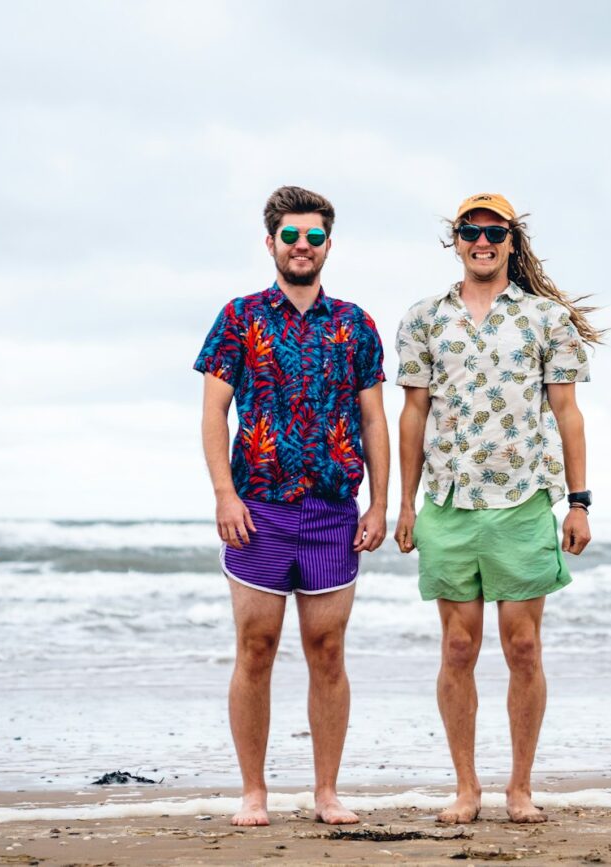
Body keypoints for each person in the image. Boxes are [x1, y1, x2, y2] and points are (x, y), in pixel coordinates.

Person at [393, 192, 601, 824]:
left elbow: (567, 413)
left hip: (522, 502)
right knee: (458, 648)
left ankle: (520, 788)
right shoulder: (424, 318)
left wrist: (579, 503)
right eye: (470, 231)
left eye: (494, 232)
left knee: (524, 648)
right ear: (455, 240)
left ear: (512, 241)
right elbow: (413, 414)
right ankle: (466, 788)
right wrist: (404, 504)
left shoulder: (546, 319)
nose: (481, 241)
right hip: (448, 502)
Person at [195, 185, 389, 826]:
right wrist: (224, 494)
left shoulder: (355, 324)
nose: (301, 246)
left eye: (313, 237)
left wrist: (380, 503)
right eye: (290, 236)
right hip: (258, 509)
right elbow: (214, 413)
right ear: (271, 242)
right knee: (256, 647)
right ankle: (253, 793)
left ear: (328, 245)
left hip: (333, 513)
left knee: (327, 650)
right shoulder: (240, 317)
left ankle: (326, 793)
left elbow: (373, 419)